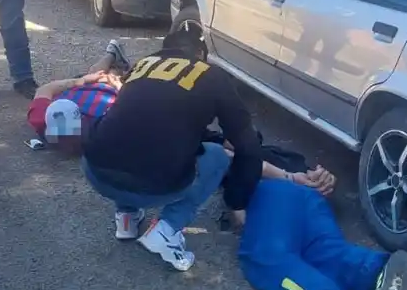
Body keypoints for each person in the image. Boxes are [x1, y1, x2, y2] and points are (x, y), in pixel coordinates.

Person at [82, 21, 305, 271]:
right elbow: (248, 145)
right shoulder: (211, 75)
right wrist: (238, 202)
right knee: (217, 156)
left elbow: (136, 120)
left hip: (96, 171)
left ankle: (127, 217)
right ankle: (167, 229)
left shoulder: (143, 64)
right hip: (151, 186)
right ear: (200, 54)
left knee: (129, 133)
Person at [238, 178, 407, 290]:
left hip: (272, 190)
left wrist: (286, 176)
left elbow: (245, 164)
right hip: (310, 193)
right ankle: (379, 272)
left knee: (270, 259)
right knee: (326, 252)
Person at [26, 40, 130, 154]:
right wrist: (120, 87)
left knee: (96, 71)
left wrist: (82, 80)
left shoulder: (40, 120)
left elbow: (45, 89)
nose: (66, 141)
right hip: (110, 92)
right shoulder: (100, 130)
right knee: (113, 74)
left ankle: (113, 56)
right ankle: (116, 60)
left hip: (84, 86)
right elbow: (132, 106)